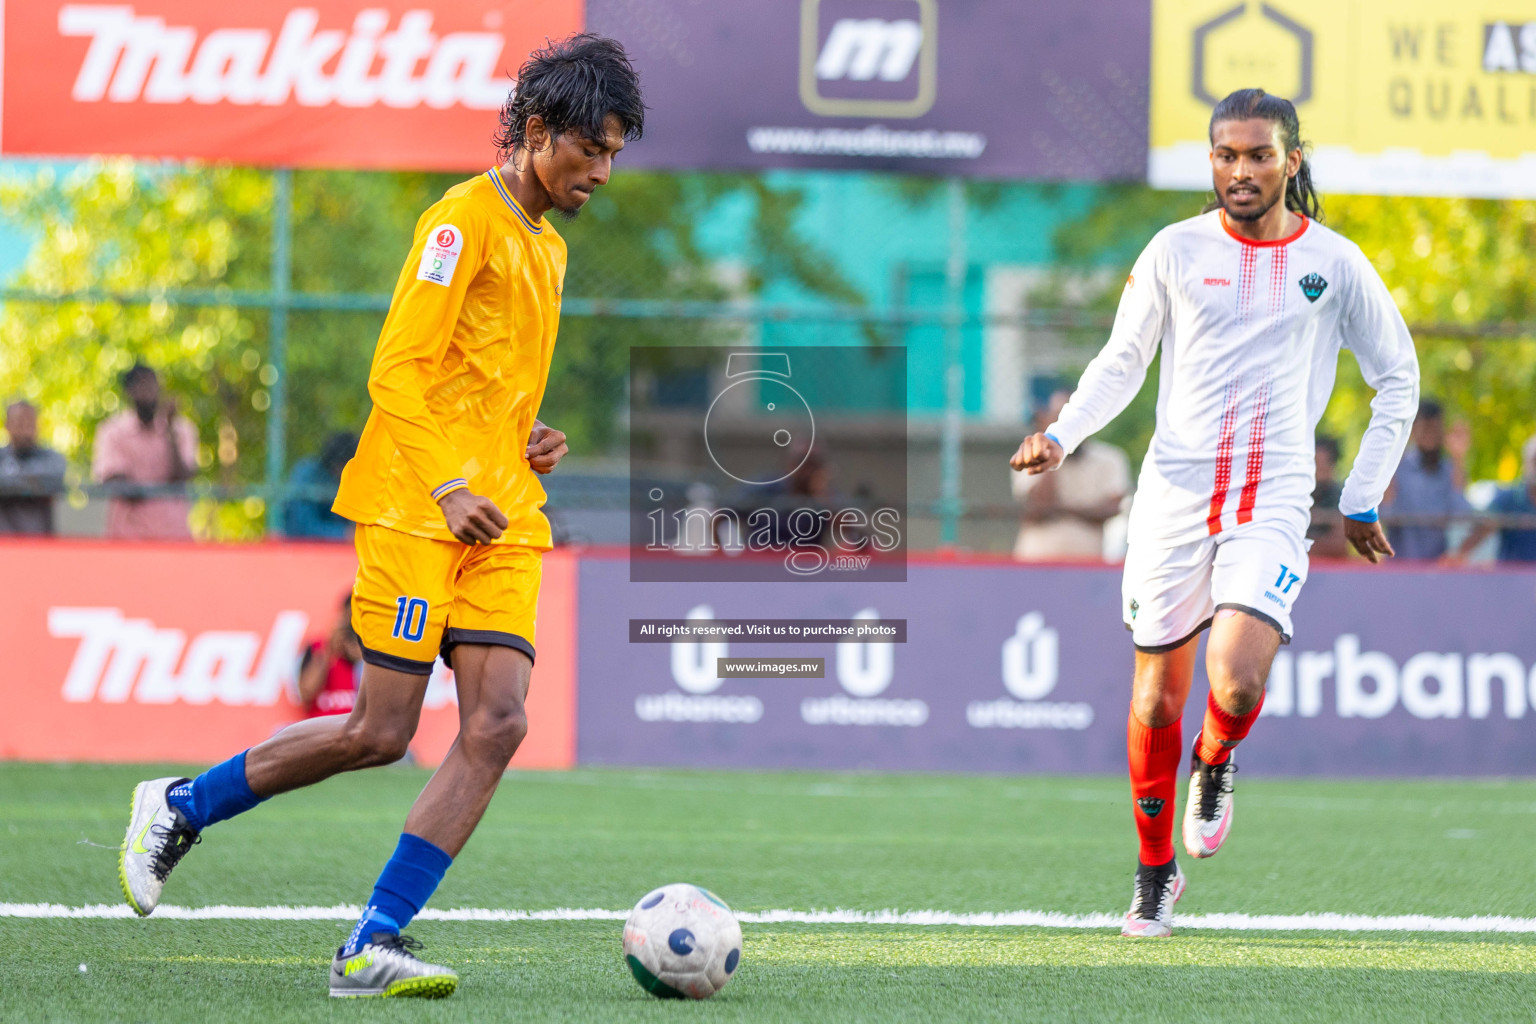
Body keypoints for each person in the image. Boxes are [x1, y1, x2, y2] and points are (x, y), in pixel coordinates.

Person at [116, 34, 643, 999]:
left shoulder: (550, 247)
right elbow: (398, 369)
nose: (602, 172)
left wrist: (526, 437)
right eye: (589, 151)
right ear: (534, 134)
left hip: (503, 514)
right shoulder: (459, 222)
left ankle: (373, 940)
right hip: (417, 509)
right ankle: (184, 804)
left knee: (498, 722)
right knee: (379, 732)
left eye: (614, 154)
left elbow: (482, 382)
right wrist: (450, 483)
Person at [1010, 88, 1417, 938]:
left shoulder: (1335, 263)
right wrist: (1063, 434)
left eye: (1259, 155)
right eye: (1227, 155)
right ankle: (1154, 873)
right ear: (1212, 163)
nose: (1242, 170)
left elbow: (1398, 378)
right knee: (1157, 700)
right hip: (1173, 499)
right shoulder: (1174, 250)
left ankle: (1216, 758)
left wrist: (1362, 494)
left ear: (1291, 161)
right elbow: (1123, 360)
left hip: (1272, 497)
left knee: (1235, 677)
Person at [1010, 389, 1130, 560]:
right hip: (1035, 561)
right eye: (1057, 418)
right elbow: (1038, 508)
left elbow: (1111, 509)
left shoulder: (1110, 458)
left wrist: (1061, 510)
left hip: (1086, 564)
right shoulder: (1030, 455)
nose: (1065, 424)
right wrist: (1053, 451)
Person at [91, 363, 198, 540]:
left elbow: (182, 476)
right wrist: (147, 489)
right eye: (141, 386)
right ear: (129, 391)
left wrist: (170, 433)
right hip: (127, 536)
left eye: (152, 385)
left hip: (173, 536)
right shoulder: (112, 431)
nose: (147, 392)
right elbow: (113, 478)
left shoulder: (181, 429)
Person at [1380, 399, 1471, 559]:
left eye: (1435, 429)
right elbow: (1387, 514)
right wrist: (1394, 450)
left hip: (1437, 570)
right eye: (1425, 429)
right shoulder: (1397, 466)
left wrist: (1459, 458)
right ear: (1413, 430)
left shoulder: (1450, 469)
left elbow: (1460, 514)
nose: (1430, 436)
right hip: (1399, 566)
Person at [1447, 435, 1536, 563]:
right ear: (1526, 463)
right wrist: (1456, 557)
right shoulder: (1509, 498)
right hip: (1512, 578)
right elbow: (1482, 529)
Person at [0, 400, 68, 535]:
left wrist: (9, 481)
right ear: (7, 425)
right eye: (19, 423)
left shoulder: (52, 458)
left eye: (30, 423)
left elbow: (51, 481)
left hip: (39, 543)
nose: (25, 430)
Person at [297, 595, 364, 718]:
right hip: (320, 728)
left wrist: (359, 653)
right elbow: (307, 692)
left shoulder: (371, 653)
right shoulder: (318, 647)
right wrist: (329, 649)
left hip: (355, 730)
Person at [283, 432, 359, 540]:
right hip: (299, 545)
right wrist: (344, 534)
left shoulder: (343, 481)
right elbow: (302, 528)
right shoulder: (307, 475)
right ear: (339, 465)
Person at [1307, 435, 1349, 558]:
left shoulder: (1340, 497)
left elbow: (1339, 544)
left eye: (1321, 463)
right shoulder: (1298, 494)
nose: (1317, 468)